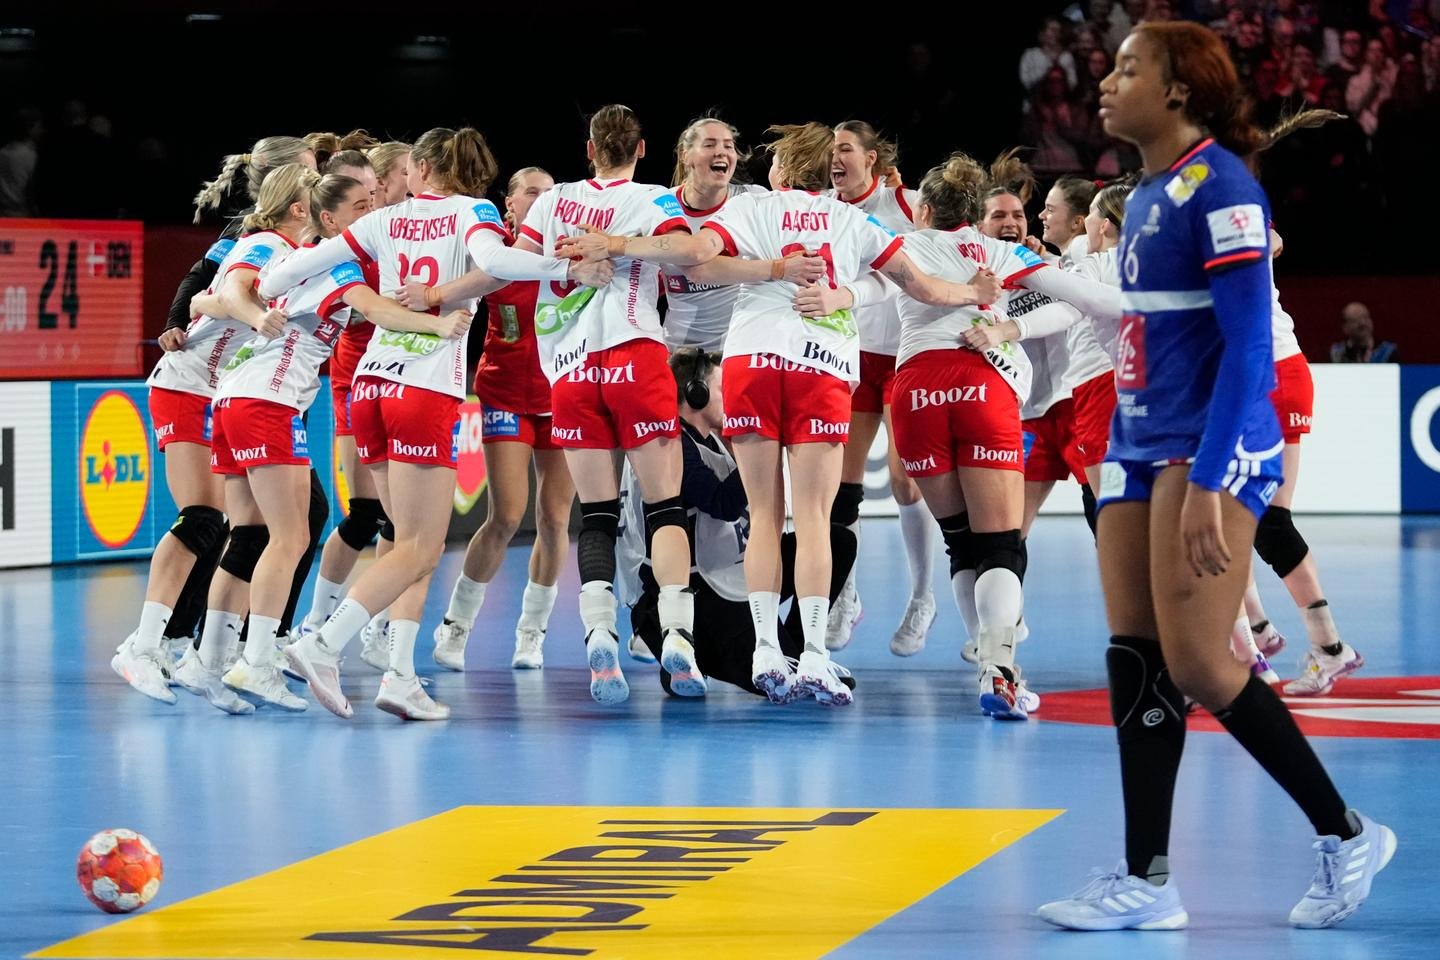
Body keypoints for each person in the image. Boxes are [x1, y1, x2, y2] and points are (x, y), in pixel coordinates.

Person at [1037, 21, 1394, 931]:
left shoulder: (1223, 188)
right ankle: (1147, 879)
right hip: (1135, 441)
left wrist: (1208, 475)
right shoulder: (1149, 190)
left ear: (1180, 90)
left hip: (1206, 448)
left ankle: (1346, 831)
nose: (1107, 85)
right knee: (1135, 653)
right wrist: (1123, 441)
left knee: (1200, 660)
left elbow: (1246, 346)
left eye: (1128, 70)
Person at [559, 121, 1002, 705]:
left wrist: (626, 247)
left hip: (749, 365)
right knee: (813, 519)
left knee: (763, 516)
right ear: (828, 175)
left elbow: (697, 263)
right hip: (819, 364)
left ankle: (766, 648)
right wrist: (974, 292)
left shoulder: (751, 212)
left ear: (781, 172)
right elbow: (918, 288)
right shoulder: (854, 220)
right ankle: (814, 655)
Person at [268, 126, 592, 720]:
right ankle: (321, 642)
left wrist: (279, 303)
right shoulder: (473, 213)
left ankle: (399, 675)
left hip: (368, 386)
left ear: (420, 167)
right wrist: (565, 266)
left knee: (404, 540)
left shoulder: (382, 221)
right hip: (422, 388)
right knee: (420, 547)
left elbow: (279, 278)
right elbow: (497, 263)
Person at [618, 348, 857, 700]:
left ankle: (800, 648)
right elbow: (722, 503)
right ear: (694, 393)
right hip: (691, 595)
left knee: (838, 541)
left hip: (722, 578)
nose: (732, 399)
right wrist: (767, 444)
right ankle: (691, 649)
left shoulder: (708, 439)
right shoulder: (671, 446)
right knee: (780, 686)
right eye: (722, 390)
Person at [425, 166, 576, 671]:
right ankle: (456, 626)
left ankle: (531, 634)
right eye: (531, 192)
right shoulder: (490, 253)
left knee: (555, 519)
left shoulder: (572, 253)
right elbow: (448, 291)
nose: (542, 199)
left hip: (561, 397)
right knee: (507, 516)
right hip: (505, 393)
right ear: (508, 204)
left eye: (550, 194)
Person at [824, 119, 936, 657]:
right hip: (852, 358)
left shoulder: (910, 204)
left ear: (872, 158)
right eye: (830, 151)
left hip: (907, 356)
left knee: (905, 484)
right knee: (840, 488)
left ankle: (921, 597)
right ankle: (844, 594)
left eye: (845, 149)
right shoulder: (823, 207)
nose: (835, 158)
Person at [1328, 301, 1397, 362]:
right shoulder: (1336, 353)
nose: (1362, 323)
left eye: (1365, 317)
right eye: (1355, 320)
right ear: (1345, 327)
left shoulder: (1388, 352)